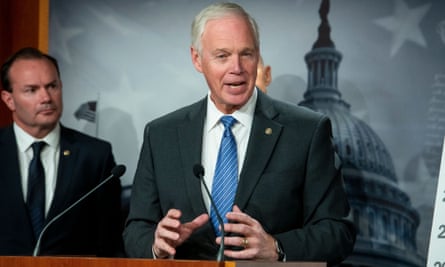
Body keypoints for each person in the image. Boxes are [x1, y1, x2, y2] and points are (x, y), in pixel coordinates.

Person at [123, 2, 355, 264]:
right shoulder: (161, 135)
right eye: (222, 56)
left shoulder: (307, 131)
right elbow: (136, 230)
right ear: (197, 59)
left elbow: (338, 231)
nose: (238, 67)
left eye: (246, 54)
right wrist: (157, 244)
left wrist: (277, 247)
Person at [0, 47, 123, 256]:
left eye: (52, 86)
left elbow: (109, 241)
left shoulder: (94, 156)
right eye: (31, 90)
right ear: (8, 99)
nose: (46, 97)